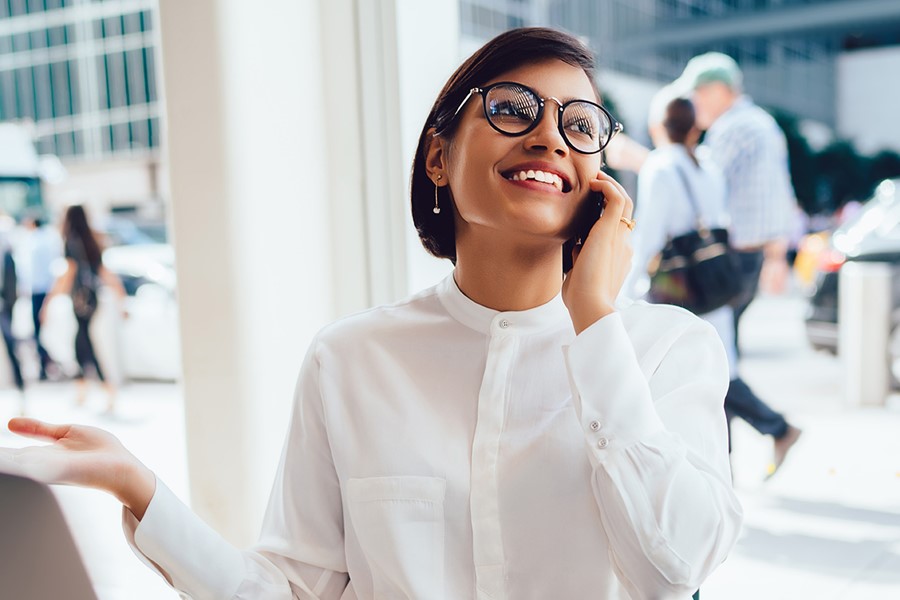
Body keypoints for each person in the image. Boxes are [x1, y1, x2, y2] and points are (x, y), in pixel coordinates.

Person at [1, 28, 742, 599]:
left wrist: (594, 323)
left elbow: (670, 570)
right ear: (437, 159)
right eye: (513, 109)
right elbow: (295, 590)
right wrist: (141, 489)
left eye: (581, 125)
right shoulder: (352, 359)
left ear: (598, 181)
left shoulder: (668, 350)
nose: (550, 135)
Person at [627, 92, 800, 474]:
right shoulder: (706, 166)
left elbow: (651, 234)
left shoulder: (661, 166)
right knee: (720, 371)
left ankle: (765, 435)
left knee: (680, 375)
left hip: (679, 285)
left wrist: (629, 286)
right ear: (695, 129)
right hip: (713, 278)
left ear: (659, 127)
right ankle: (729, 461)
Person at [40, 205, 125, 413]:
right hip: (91, 299)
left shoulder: (72, 241)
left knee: (84, 343)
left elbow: (68, 274)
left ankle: (99, 389)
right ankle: (87, 389)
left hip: (79, 300)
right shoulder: (93, 239)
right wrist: (121, 297)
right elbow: (104, 272)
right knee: (84, 342)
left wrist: (48, 302)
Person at [20, 213, 63, 381]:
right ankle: (47, 364)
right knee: (42, 329)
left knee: (42, 329)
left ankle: (47, 364)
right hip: (43, 289)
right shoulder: (46, 239)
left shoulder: (36, 242)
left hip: (40, 290)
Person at [0, 216, 25, 409]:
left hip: (3, 304)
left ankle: (21, 393)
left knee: (11, 346)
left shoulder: (4, 234)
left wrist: (10, 303)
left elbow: (11, 272)